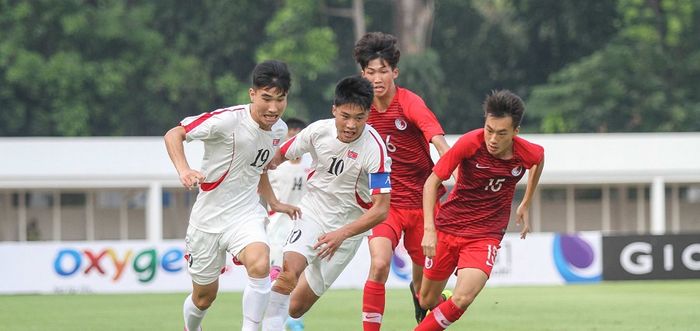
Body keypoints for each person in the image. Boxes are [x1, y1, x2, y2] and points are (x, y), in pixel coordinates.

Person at [164, 60, 301, 331]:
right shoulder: (228, 120)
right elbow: (174, 134)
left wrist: (273, 202)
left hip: (246, 212)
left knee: (260, 263)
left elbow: (258, 166)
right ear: (252, 94)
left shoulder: (280, 130)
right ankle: (191, 328)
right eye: (266, 98)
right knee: (204, 298)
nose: (273, 108)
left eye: (280, 99)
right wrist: (184, 170)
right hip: (208, 219)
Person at [262, 76, 391, 331]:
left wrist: (341, 235)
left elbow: (381, 208)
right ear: (334, 110)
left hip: (347, 231)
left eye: (359, 118)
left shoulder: (375, 150)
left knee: (296, 307)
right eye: (345, 116)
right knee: (288, 274)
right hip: (311, 213)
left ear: (369, 114)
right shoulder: (318, 131)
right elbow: (277, 157)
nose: (351, 125)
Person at [415, 90, 545, 330]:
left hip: (486, 234)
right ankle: (439, 302)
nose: (493, 139)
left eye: (502, 133)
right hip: (448, 226)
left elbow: (538, 161)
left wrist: (526, 201)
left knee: (463, 298)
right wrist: (429, 230)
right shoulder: (470, 143)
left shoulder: (527, 151)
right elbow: (431, 183)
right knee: (427, 300)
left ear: (515, 132)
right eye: (489, 130)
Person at [353, 31, 453, 330]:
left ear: (394, 72)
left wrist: (455, 169)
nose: (377, 78)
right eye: (370, 72)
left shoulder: (409, 103)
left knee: (426, 296)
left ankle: (423, 300)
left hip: (423, 204)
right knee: (380, 263)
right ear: (363, 74)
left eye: (383, 71)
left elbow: (437, 139)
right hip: (385, 203)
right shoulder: (361, 111)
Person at [265, 117, 309, 331]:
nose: (293, 134)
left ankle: (291, 319)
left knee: (295, 271)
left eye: (298, 132)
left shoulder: (310, 167)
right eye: (291, 131)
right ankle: (271, 319)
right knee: (275, 272)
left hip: (301, 223)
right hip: (277, 222)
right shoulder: (274, 166)